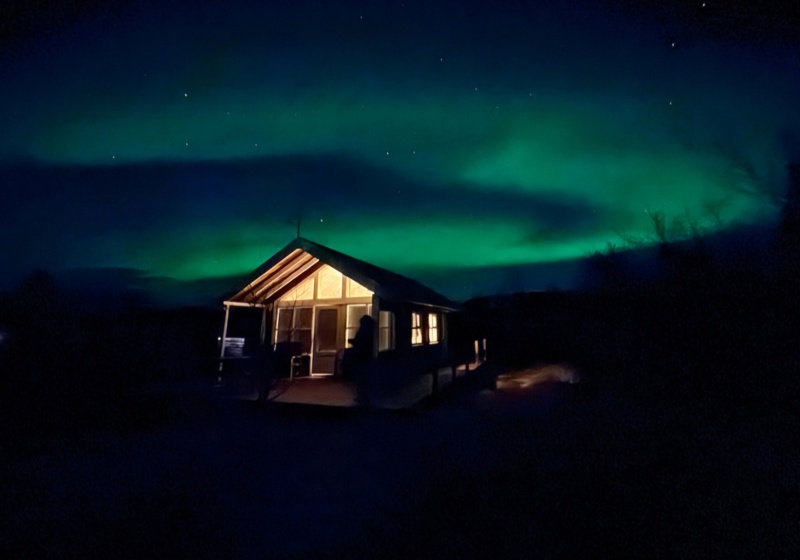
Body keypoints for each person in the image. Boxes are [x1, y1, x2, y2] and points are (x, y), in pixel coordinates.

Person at [351, 315, 375, 407]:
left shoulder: (363, 333)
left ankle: (363, 398)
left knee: (361, 379)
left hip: (361, 358)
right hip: (365, 358)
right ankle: (363, 397)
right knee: (363, 379)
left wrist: (353, 342)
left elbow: (360, 344)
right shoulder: (369, 332)